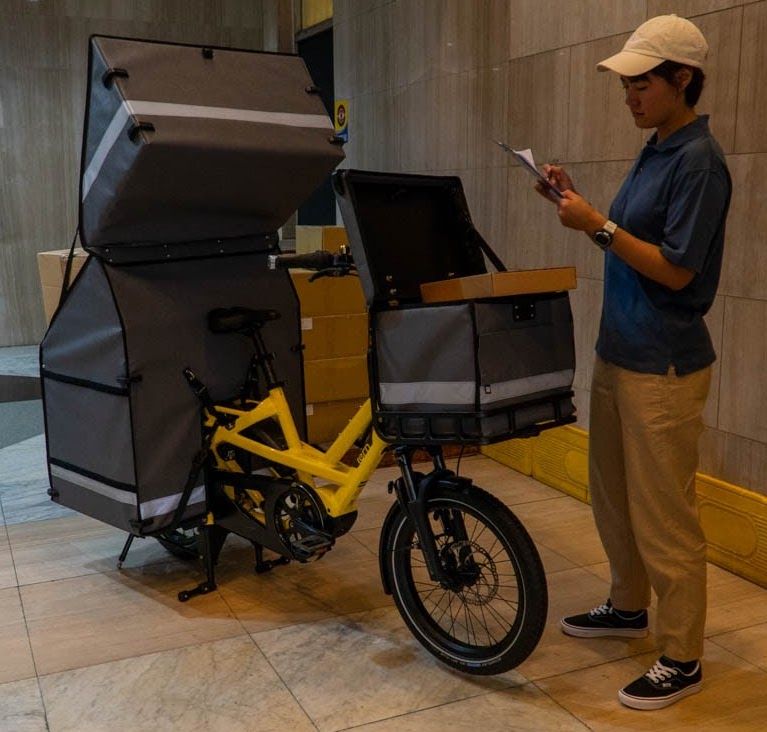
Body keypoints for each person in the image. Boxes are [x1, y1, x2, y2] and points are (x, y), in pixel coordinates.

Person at [535, 14, 732, 711]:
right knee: (613, 497)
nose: (630, 98)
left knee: (663, 516)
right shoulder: (656, 149)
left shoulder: (698, 162)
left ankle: (681, 657)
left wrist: (596, 224)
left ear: (682, 79)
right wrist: (575, 208)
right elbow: (628, 245)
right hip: (620, 351)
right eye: (626, 87)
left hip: (664, 365)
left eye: (640, 84)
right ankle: (627, 605)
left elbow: (677, 272)